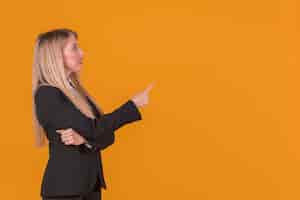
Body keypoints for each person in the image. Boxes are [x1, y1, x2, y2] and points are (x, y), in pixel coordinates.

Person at [32, 28, 154, 200]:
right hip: (66, 191)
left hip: (89, 187)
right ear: (56, 56)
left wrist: (85, 140)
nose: (82, 53)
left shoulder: (77, 92)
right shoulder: (48, 94)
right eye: (74, 48)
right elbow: (94, 128)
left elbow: (106, 136)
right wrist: (132, 105)